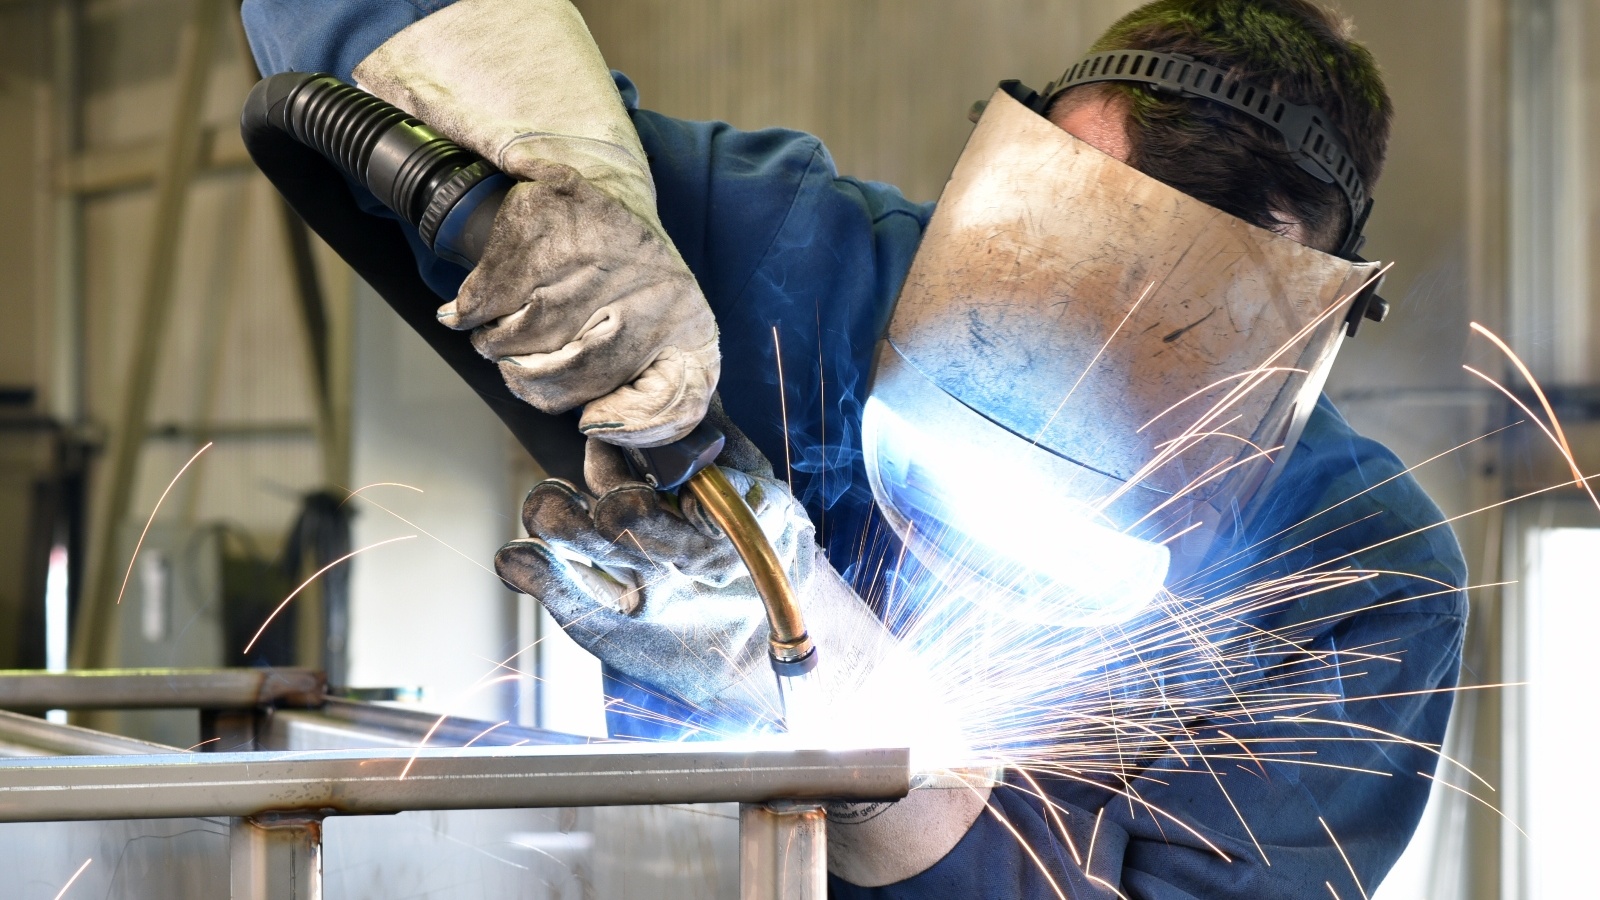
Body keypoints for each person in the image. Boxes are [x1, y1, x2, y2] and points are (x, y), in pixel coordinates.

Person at [242, 0, 1469, 895]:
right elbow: (348, 43)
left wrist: (817, 679)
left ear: (1305, 321)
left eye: (1171, 321)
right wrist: (574, 187)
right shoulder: (793, 261)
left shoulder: (1363, 569)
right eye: (1074, 251)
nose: (1077, 363)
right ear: (1014, 168)